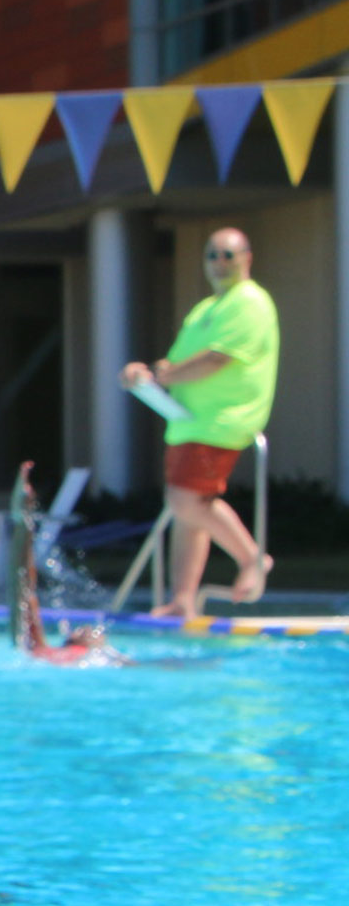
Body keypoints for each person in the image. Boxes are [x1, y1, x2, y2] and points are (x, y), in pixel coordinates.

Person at [123, 225, 276, 615]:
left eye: (229, 254)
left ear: (247, 258)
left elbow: (217, 359)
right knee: (185, 510)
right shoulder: (204, 310)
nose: (220, 263)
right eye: (212, 255)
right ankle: (182, 600)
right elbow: (173, 364)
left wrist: (165, 376)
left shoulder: (250, 302)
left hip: (221, 421)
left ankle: (252, 558)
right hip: (187, 422)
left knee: (186, 501)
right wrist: (148, 374)